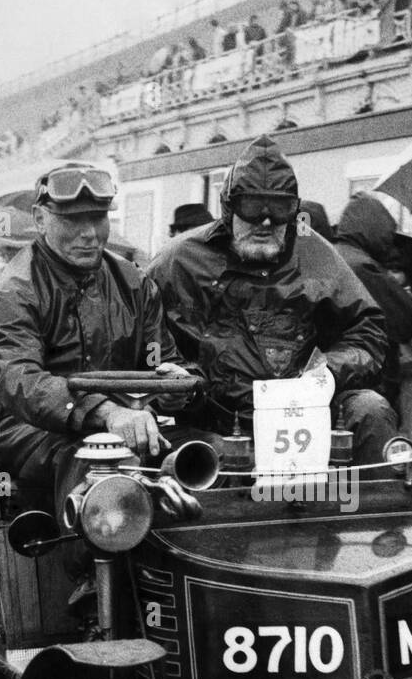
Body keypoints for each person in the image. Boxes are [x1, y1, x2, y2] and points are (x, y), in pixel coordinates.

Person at [145, 136, 392, 463]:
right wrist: (175, 384)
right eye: (251, 207)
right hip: (210, 422)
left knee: (370, 409)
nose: (264, 221)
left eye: (278, 209)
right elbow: (144, 338)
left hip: (303, 413)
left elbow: (367, 331)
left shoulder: (314, 255)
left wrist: (325, 373)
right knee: (166, 451)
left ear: (293, 211)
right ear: (230, 207)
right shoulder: (178, 261)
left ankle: (375, 509)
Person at [0, 162, 196, 512]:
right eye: (72, 221)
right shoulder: (17, 289)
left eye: (97, 218)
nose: (90, 234)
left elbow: (159, 357)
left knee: (206, 452)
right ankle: (86, 564)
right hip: (25, 428)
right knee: (99, 467)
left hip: (123, 423)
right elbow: (18, 377)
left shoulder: (134, 283)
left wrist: (173, 384)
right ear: (39, 219)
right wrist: (106, 412)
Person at [335, 193, 412, 419]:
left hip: (338, 378)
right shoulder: (363, 266)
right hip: (370, 384)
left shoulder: (330, 255)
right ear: (375, 231)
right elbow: (406, 320)